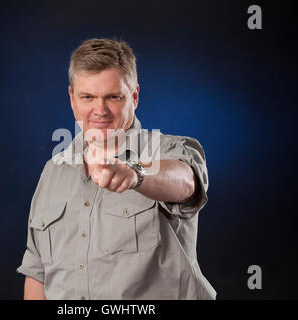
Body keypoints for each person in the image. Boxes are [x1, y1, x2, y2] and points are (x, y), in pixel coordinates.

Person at [16, 38, 216, 300]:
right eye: (88, 97)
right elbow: (37, 273)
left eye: (113, 97)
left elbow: (187, 182)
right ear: (72, 98)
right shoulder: (53, 170)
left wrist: (135, 173)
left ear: (133, 96)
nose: (100, 110)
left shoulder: (166, 150)